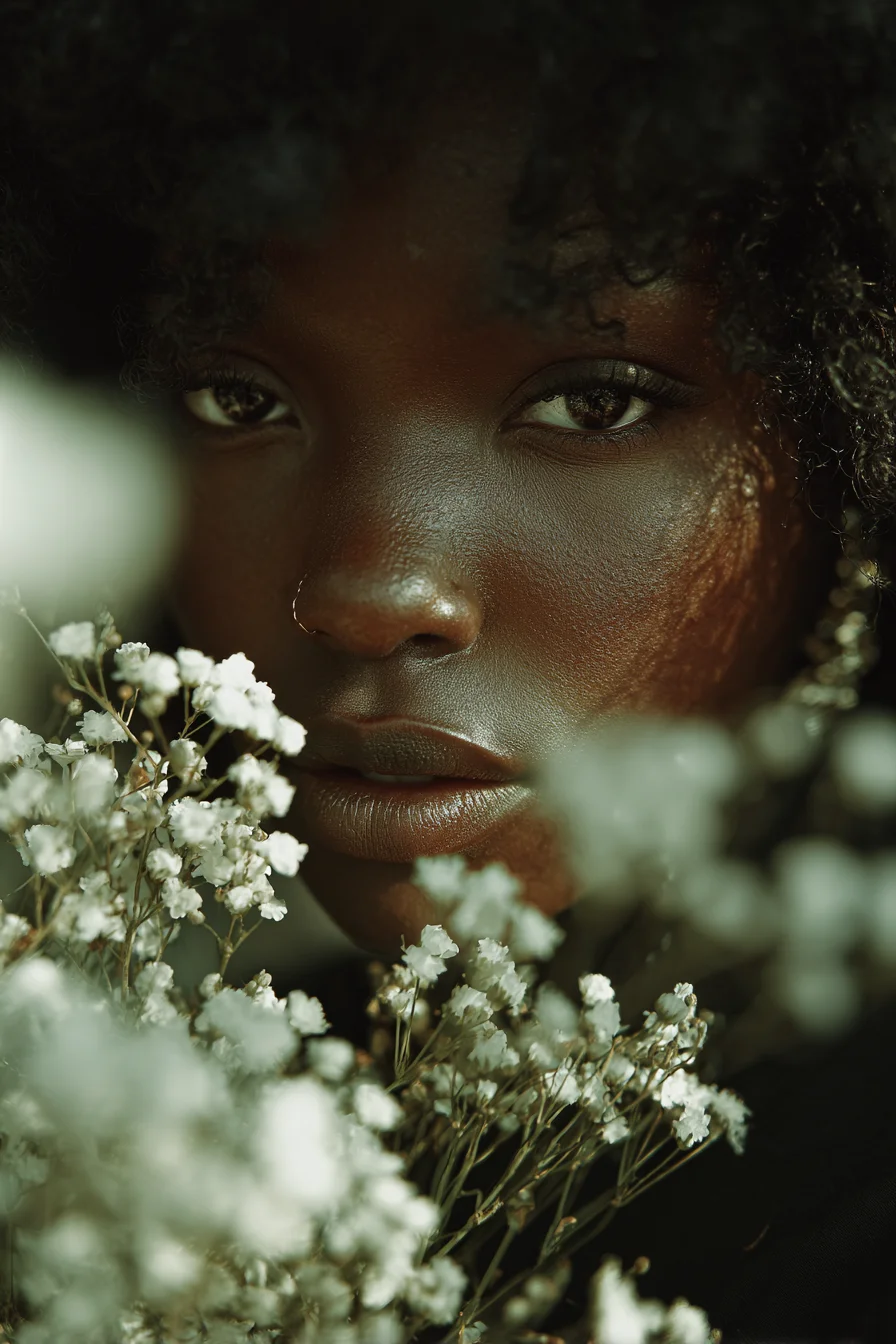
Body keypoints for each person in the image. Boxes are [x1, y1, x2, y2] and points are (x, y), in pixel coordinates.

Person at [2, 2, 896, 1339]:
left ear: (857, 462)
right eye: (237, 399)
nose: (369, 592)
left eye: (595, 401)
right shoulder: (142, 1149)